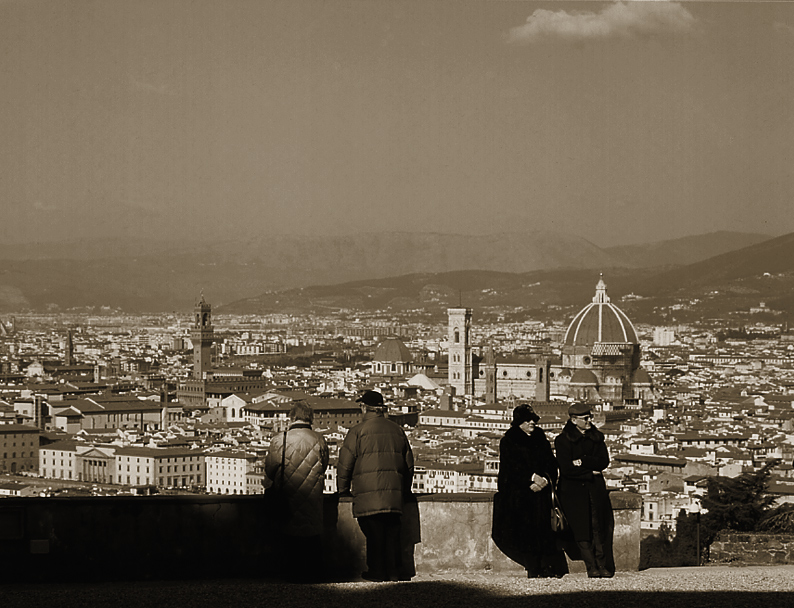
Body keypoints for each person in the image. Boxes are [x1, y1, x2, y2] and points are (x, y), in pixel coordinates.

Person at [337, 390, 415, 582]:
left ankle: (377, 572)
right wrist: (404, 490)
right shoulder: (397, 430)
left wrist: (342, 490)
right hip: (393, 495)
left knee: (374, 535)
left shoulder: (357, 432)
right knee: (392, 533)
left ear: (364, 407)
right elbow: (409, 465)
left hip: (367, 495)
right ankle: (395, 571)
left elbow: (344, 465)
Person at [492, 404, 568, 578]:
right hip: (521, 494)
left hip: (541, 493)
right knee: (526, 531)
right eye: (528, 420)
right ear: (519, 422)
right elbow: (510, 468)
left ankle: (547, 566)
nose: (532, 422)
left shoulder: (540, 438)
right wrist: (532, 478)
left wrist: (546, 480)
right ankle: (533, 567)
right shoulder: (509, 440)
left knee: (544, 531)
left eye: (533, 419)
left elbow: (550, 461)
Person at [264, 400, 329, 582]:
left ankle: (290, 575)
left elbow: (270, 470)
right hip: (313, 496)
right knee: (311, 538)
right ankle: (313, 575)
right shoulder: (320, 439)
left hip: (287, 497)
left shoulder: (280, 440)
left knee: (289, 537)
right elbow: (324, 466)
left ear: (291, 417)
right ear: (310, 418)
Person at [554, 402, 615, 578]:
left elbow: (603, 462)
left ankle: (602, 565)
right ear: (574, 420)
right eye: (585, 418)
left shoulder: (596, 437)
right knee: (582, 530)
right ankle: (592, 567)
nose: (589, 420)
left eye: (590, 417)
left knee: (598, 527)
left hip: (595, 491)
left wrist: (581, 461)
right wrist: (590, 471)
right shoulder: (562, 440)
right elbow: (566, 469)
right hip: (573, 493)